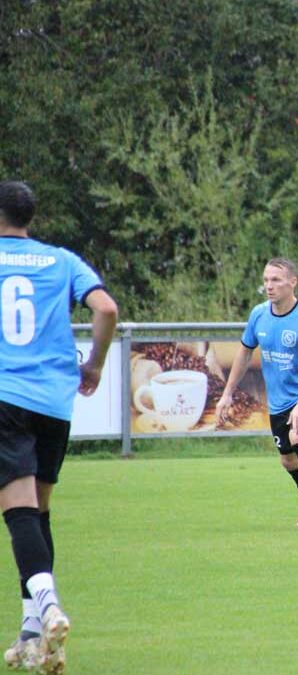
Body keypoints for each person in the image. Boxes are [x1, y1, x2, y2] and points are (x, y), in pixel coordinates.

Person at [0, 180, 118, 673]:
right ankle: (32, 632)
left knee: (17, 510)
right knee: (39, 509)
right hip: (54, 401)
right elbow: (106, 308)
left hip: (5, 396)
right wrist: (93, 364)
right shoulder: (61, 259)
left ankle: (47, 604)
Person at [215, 258, 298, 529]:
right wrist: (227, 394)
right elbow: (245, 352)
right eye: (266, 280)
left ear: (292, 283)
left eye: (276, 280)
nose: (269, 286)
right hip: (279, 402)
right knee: (287, 460)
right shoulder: (259, 314)